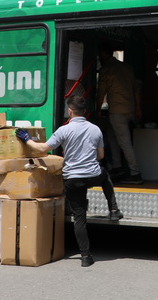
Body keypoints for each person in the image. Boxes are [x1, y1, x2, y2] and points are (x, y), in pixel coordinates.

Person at [18, 94, 122, 267]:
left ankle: (85, 257)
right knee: (105, 176)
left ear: (70, 111)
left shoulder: (64, 130)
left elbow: (43, 148)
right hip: (92, 175)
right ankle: (113, 209)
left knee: (79, 217)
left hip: (73, 179)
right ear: (85, 112)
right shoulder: (95, 129)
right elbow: (101, 156)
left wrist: (26, 138)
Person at [96, 43, 142, 183]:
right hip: (130, 109)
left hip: (117, 110)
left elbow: (101, 92)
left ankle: (135, 173)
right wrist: (138, 108)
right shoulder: (127, 67)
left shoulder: (106, 69)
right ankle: (117, 166)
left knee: (124, 142)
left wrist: (97, 110)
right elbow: (136, 89)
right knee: (111, 134)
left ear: (103, 55)